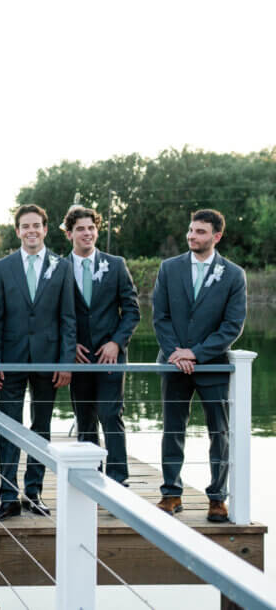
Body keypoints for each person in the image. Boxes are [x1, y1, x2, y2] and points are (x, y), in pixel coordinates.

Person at [153, 209, 246, 522]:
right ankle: (171, 493)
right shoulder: (169, 268)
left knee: (219, 432)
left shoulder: (233, 275)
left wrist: (196, 354)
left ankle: (218, 499)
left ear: (216, 237)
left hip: (212, 366)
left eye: (200, 232)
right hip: (173, 364)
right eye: (191, 231)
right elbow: (160, 316)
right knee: (172, 428)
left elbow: (232, 326)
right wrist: (175, 353)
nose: (192, 236)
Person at [0, 204, 76, 522]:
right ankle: (8, 497)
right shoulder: (2, 267)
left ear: (45, 229)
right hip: (9, 360)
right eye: (25, 226)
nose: (31, 231)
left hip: (48, 360)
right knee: (7, 427)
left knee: (41, 427)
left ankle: (34, 492)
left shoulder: (62, 267)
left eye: (37, 225)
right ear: (17, 231)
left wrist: (66, 362)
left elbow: (68, 318)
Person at [64, 206, 140, 485]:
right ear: (70, 233)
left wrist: (116, 343)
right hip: (78, 357)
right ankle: (90, 477)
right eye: (81, 229)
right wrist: (69, 346)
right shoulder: (59, 268)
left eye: (91, 228)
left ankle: (119, 480)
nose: (87, 233)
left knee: (110, 414)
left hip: (110, 356)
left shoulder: (116, 264)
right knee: (84, 417)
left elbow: (132, 311)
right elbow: (54, 315)